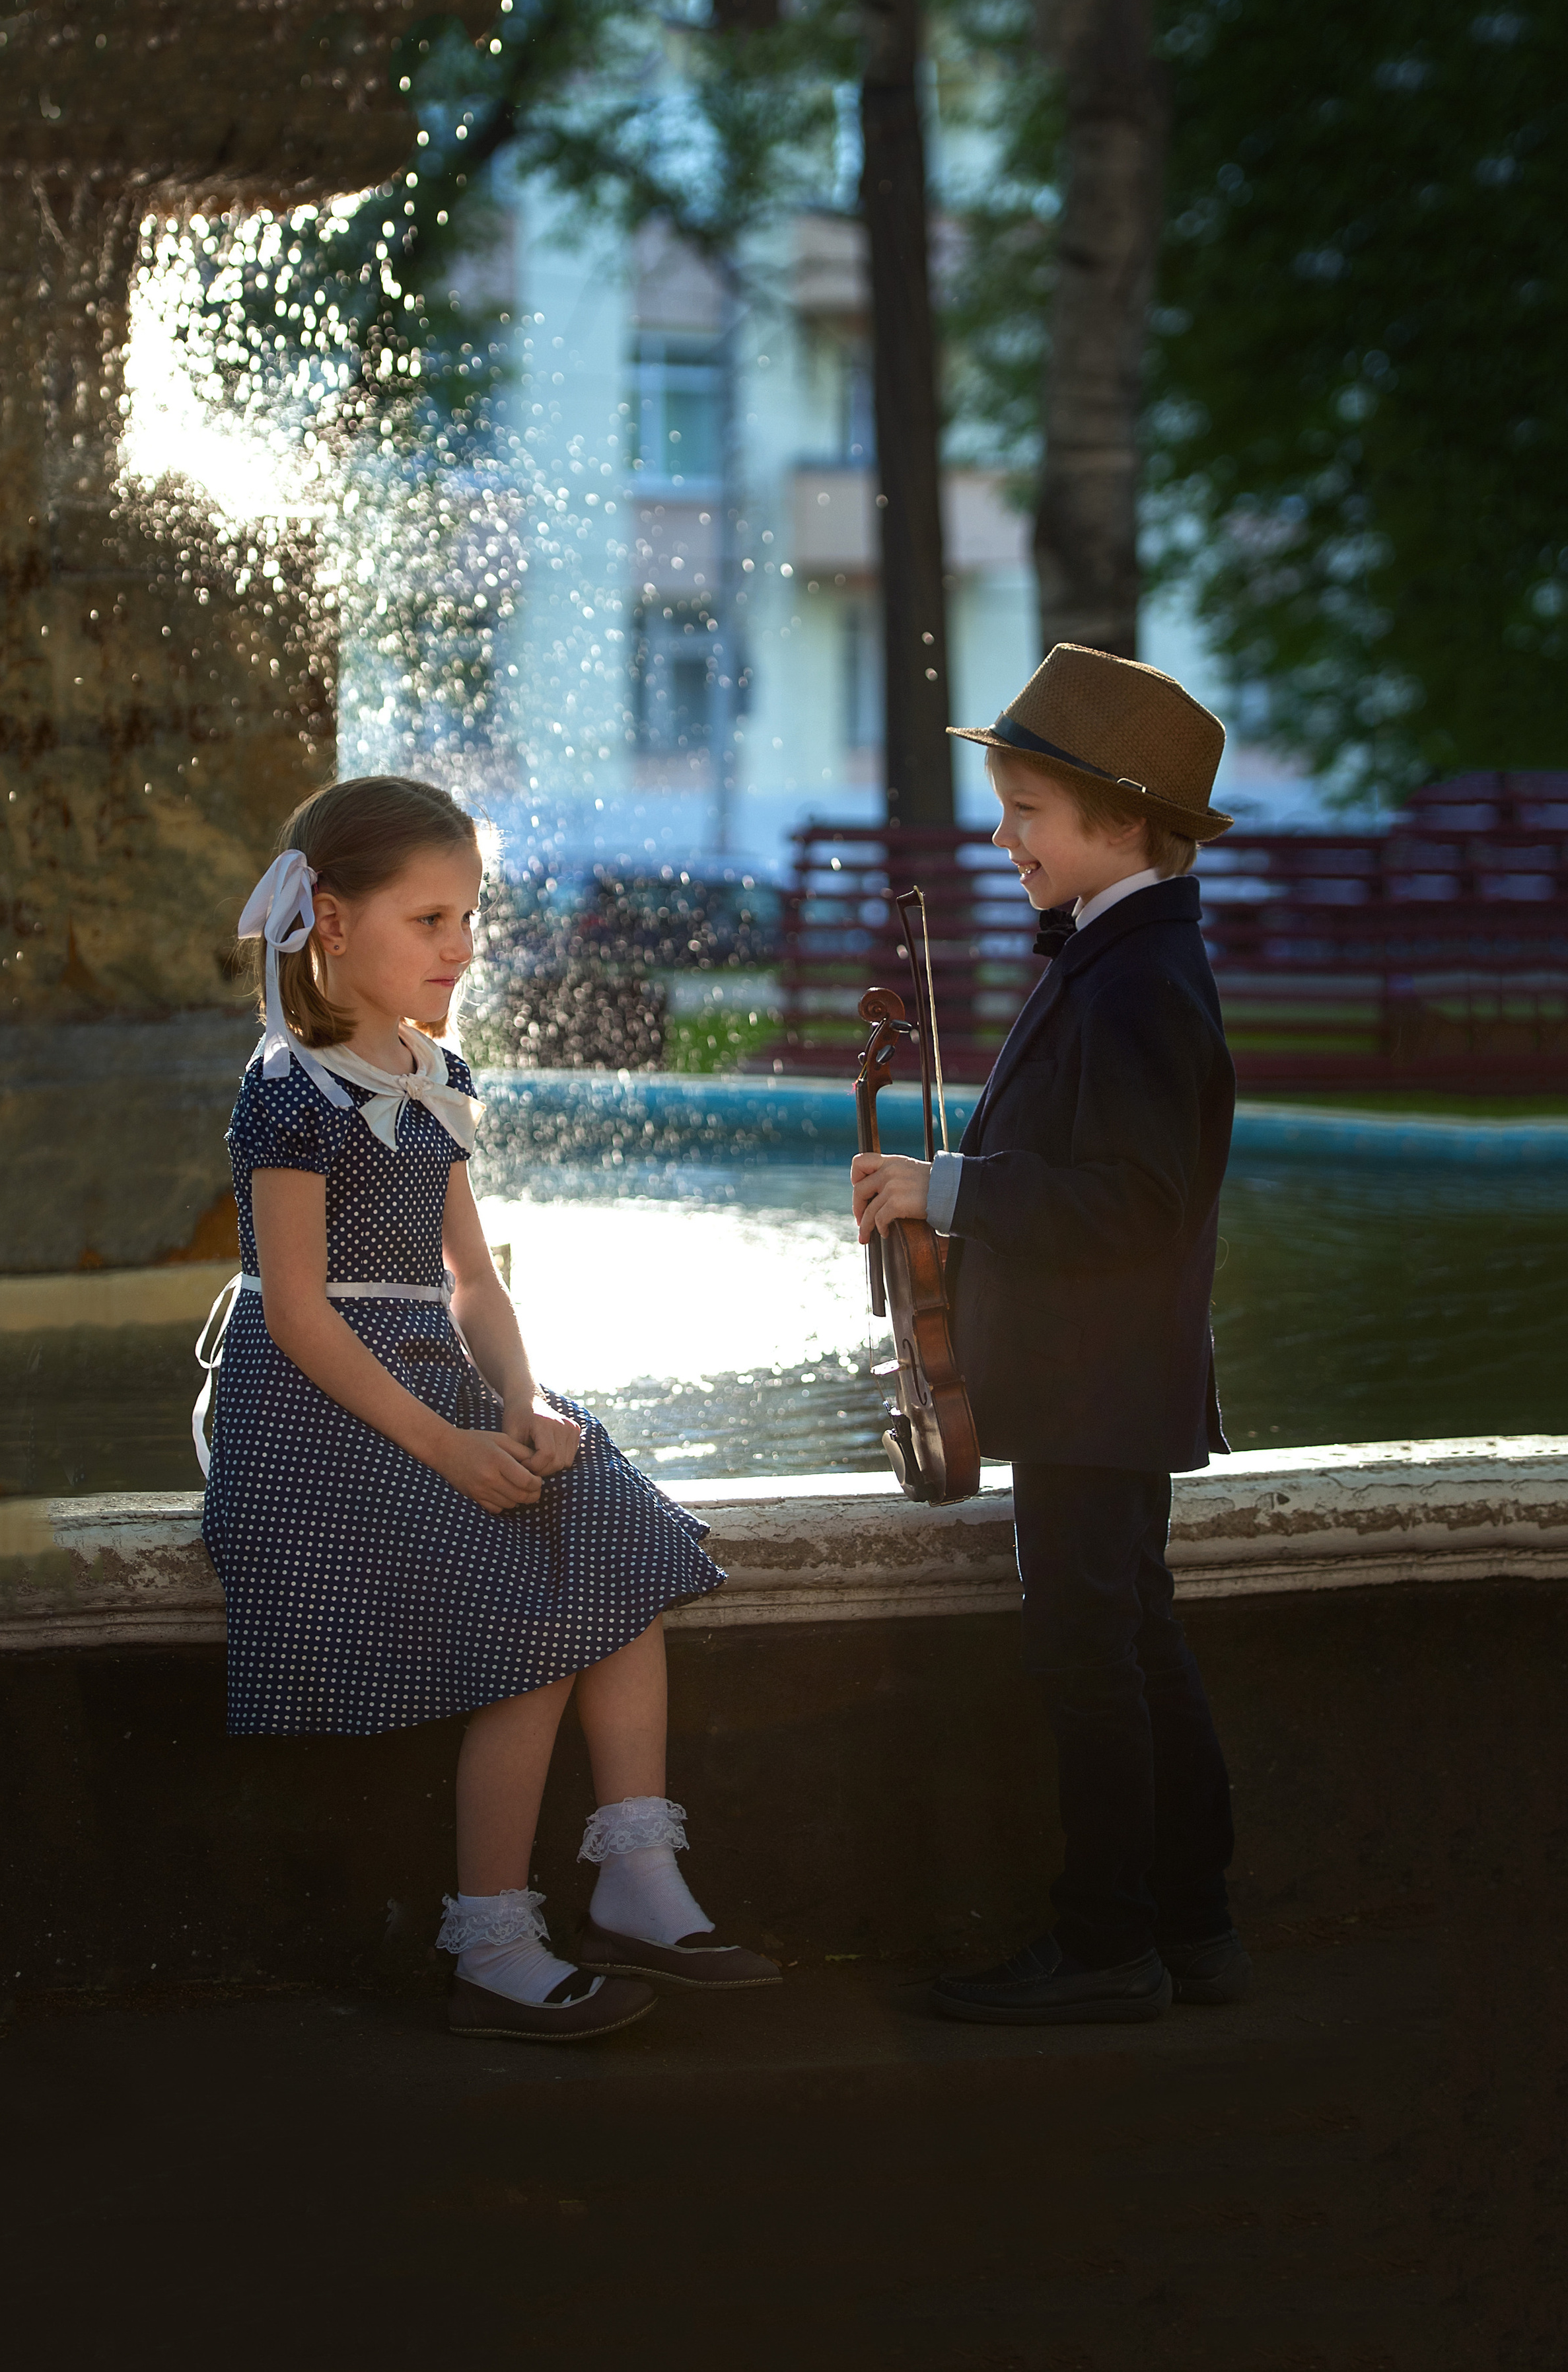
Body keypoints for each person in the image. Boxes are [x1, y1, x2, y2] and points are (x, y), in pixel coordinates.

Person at [196, 773, 779, 2043]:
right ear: (333, 924)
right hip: (318, 1409)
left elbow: (471, 1277)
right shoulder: (291, 1089)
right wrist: (452, 1447)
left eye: (469, 916)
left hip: (436, 1378)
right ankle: (492, 1938)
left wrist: (525, 1402)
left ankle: (635, 1874)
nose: (463, 949)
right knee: (534, 1612)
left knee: (618, 1540)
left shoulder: (435, 1071)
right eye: (430, 921)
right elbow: (297, 1314)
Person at [851, 644, 1250, 2023]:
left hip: (1095, 1384)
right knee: (1134, 1639)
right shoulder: (1119, 952)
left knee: (1091, 1658)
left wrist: (942, 1186)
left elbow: (1132, 1206)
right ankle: (1188, 1925)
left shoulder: (1139, 981)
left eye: (1025, 809)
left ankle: (1106, 1948)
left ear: (1120, 821)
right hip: (1103, 1381)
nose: (1003, 834)